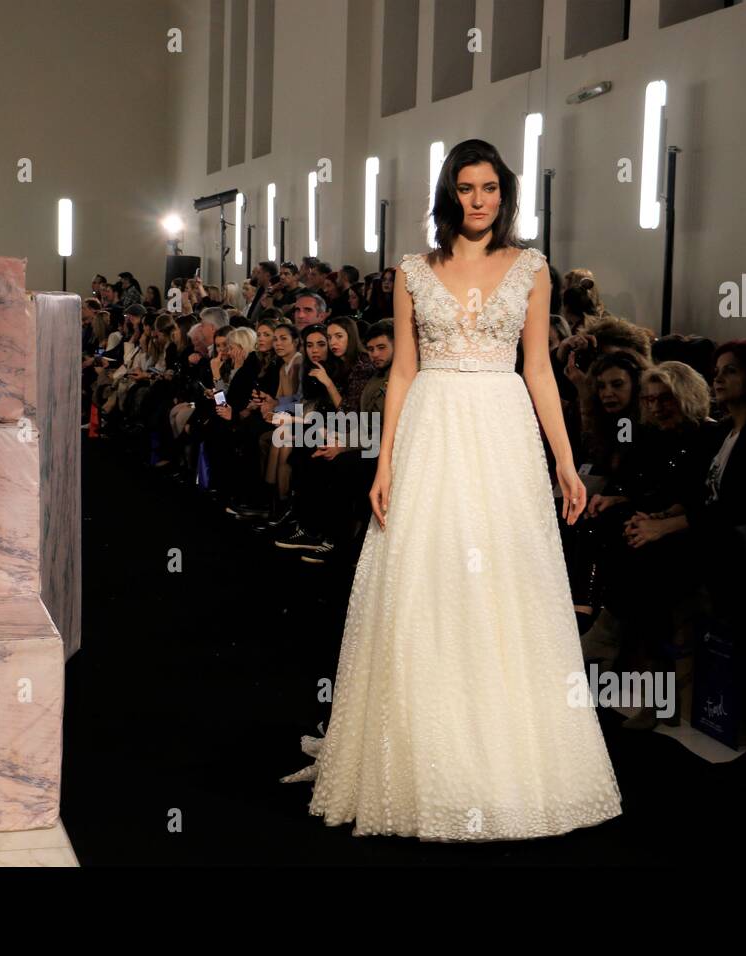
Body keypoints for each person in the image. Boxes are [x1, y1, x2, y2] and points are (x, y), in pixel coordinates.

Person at [280, 138, 623, 841]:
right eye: (466, 187)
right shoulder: (413, 271)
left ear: (504, 194)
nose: (477, 199)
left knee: (504, 585)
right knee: (422, 579)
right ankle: (417, 754)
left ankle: (507, 763)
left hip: (501, 433)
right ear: (449, 194)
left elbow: (539, 371)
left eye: (489, 187)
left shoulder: (532, 269)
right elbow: (402, 372)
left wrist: (564, 460)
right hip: (433, 430)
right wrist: (384, 462)